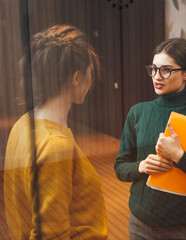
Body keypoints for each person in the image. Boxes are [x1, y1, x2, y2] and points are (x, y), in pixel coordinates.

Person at [114, 38, 186, 240]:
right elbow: (120, 168)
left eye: (166, 70)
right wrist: (141, 166)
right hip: (140, 223)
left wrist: (180, 157)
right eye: (153, 69)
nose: (157, 76)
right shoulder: (138, 113)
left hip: (185, 227)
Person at [4, 25, 108, 239]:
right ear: (76, 78)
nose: (91, 80)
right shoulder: (55, 146)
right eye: (90, 72)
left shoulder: (24, 123)